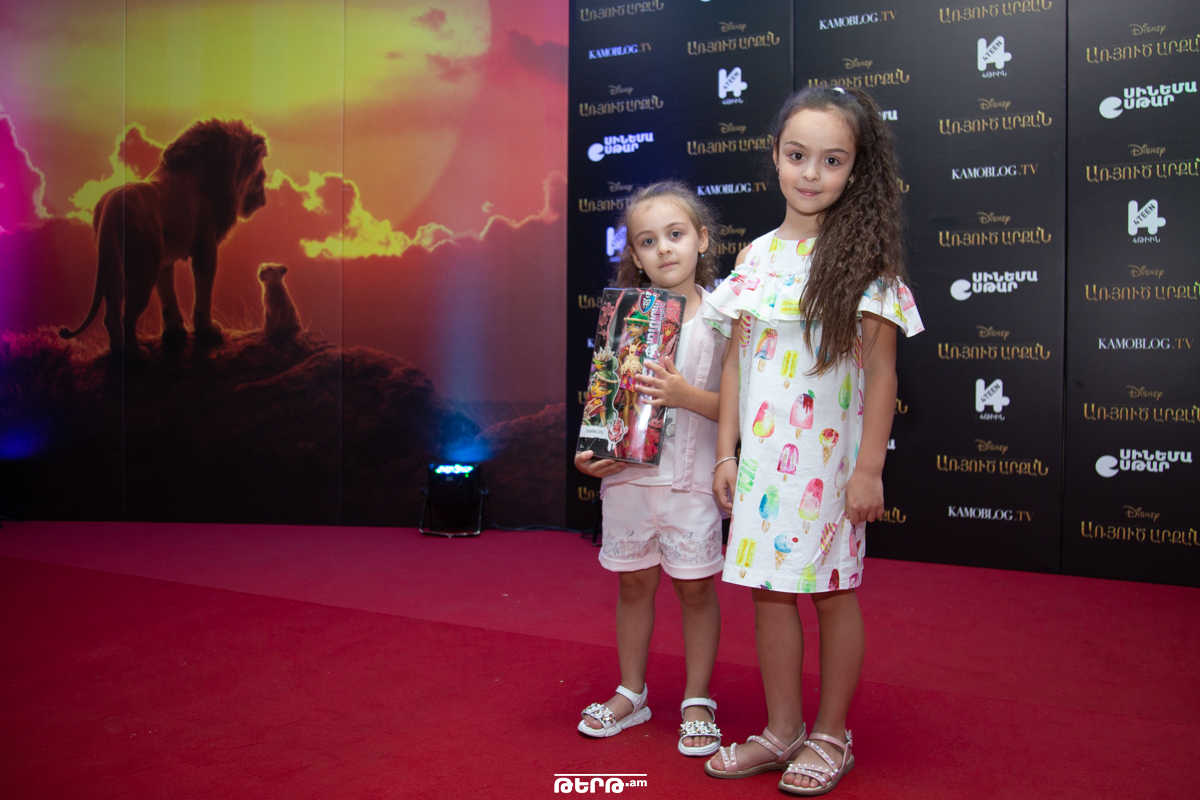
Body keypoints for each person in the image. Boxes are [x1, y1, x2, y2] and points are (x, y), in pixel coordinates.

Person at [704, 86, 924, 795]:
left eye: (832, 160)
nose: (811, 173)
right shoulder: (755, 255)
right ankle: (782, 731)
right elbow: (735, 364)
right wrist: (727, 453)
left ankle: (831, 735)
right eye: (798, 155)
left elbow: (882, 373)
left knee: (832, 593)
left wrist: (869, 470)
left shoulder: (865, 263)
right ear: (775, 156)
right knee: (768, 593)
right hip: (762, 469)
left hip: (831, 468)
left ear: (855, 170)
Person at [574, 180, 733, 758]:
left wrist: (686, 395)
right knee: (634, 583)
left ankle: (697, 699)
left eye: (676, 234)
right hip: (628, 481)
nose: (664, 248)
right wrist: (591, 451)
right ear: (635, 256)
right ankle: (632, 692)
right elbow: (605, 402)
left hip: (693, 482)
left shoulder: (726, 317)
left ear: (702, 239)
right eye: (648, 240)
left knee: (695, 589)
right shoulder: (623, 318)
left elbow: (742, 408)